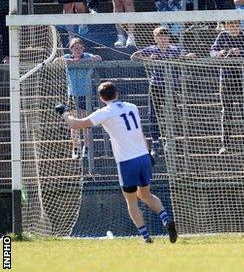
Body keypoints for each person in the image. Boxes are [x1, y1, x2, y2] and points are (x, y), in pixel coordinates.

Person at [55, 81, 178, 244]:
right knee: (145, 194)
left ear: (101, 98)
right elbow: (140, 132)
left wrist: (64, 112)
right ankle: (166, 219)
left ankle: (146, 238)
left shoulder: (105, 112)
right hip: (143, 156)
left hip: (127, 161)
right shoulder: (132, 107)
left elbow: (77, 124)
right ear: (117, 93)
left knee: (132, 201)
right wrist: (148, 153)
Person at [131, 26, 196, 156]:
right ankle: (156, 142)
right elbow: (133, 57)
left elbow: (190, 55)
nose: (163, 39)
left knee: (172, 113)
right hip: (156, 85)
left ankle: (170, 141)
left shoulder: (175, 49)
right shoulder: (152, 49)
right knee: (153, 114)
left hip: (171, 86)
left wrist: (188, 57)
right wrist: (148, 58)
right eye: (160, 36)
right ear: (155, 38)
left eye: (165, 36)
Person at [210, 20, 244, 153]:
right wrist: (221, 53)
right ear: (226, 26)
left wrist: (240, 52)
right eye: (231, 25)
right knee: (227, 112)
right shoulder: (222, 36)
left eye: (237, 25)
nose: (234, 28)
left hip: (242, 79)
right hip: (226, 79)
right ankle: (225, 144)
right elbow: (213, 52)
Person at [54, 37, 102, 159]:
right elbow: (56, 61)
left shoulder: (86, 55)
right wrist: (72, 62)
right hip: (73, 94)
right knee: (74, 122)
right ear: (71, 49)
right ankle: (75, 147)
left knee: (85, 121)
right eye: (76, 48)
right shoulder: (68, 57)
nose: (78, 50)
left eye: (80, 48)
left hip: (85, 94)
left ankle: (86, 147)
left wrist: (88, 60)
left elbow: (99, 58)